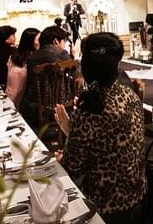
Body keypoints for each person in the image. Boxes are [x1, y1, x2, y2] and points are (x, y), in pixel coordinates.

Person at [54, 33, 146, 223]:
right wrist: (72, 131)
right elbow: (112, 145)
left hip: (104, 207)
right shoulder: (130, 95)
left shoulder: (91, 109)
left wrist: (66, 150)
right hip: (137, 196)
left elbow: (73, 169)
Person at [6, 28, 41, 105]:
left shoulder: (15, 55)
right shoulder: (30, 59)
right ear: (30, 41)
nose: (41, 42)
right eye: (38, 39)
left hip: (13, 96)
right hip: (17, 99)